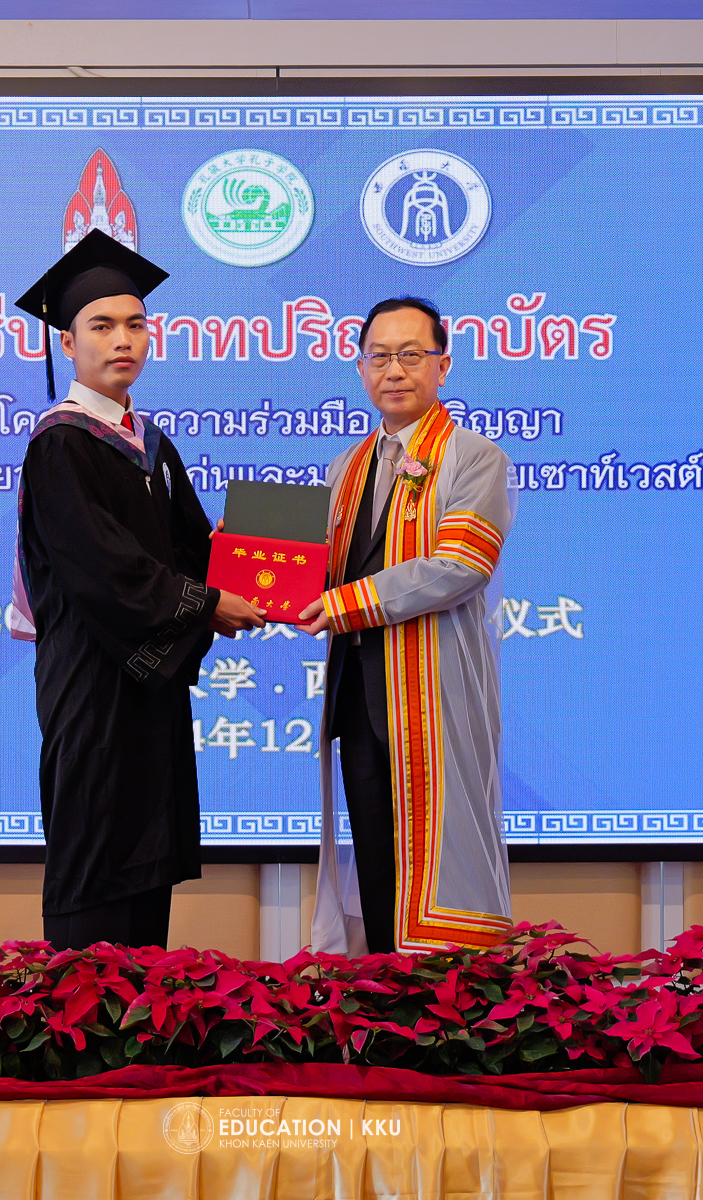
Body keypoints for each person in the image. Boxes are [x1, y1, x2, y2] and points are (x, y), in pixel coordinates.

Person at [8, 230, 266, 952]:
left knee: (146, 854)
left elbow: (190, 546)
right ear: (68, 342)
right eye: (102, 325)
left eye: (136, 324)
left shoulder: (152, 443)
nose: (123, 340)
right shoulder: (62, 443)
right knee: (96, 849)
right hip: (94, 679)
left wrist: (245, 567)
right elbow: (104, 567)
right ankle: (84, 1016)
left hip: (149, 683)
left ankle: (148, 1015)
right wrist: (206, 603)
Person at [300, 296, 515, 955]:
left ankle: (443, 1000)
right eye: (380, 356)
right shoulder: (346, 467)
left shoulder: (475, 458)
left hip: (433, 694)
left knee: (442, 858)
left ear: (443, 366)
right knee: (375, 857)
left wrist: (347, 603)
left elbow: (461, 565)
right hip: (359, 697)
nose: (394, 370)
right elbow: (321, 567)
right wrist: (254, 560)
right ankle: (381, 993)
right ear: (361, 369)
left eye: (411, 355)